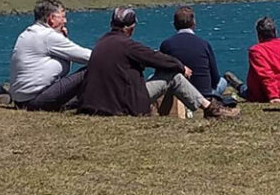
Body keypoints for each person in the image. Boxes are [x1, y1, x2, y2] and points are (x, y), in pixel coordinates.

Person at [78, 8, 238, 118]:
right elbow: (155, 58)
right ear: (131, 28)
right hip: (121, 105)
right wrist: (181, 67)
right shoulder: (127, 45)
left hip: (96, 104)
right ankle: (210, 109)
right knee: (174, 77)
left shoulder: (101, 43)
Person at [9, 0, 92, 111]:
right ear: (52, 19)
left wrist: (62, 37)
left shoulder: (29, 33)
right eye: (62, 17)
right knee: (90, 69)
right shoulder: (47, 36)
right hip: (35, 100)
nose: (65, 21)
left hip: (21, 100)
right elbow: (87, 57)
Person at [223, 16, 280, 103]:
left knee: (244, 90)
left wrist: (273, 97)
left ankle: (237, 85)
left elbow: (266, 75)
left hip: (266, 95)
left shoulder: (256, 50)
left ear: (259, 35)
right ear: (275, 32)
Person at [159, 6, 222, 99]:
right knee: (223, 82)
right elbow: (215, 78)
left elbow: (161, 72)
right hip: (203, 93)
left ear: (174, 24)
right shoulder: (204, 44)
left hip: (177, 92)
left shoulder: (166, 45)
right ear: (194, 23)